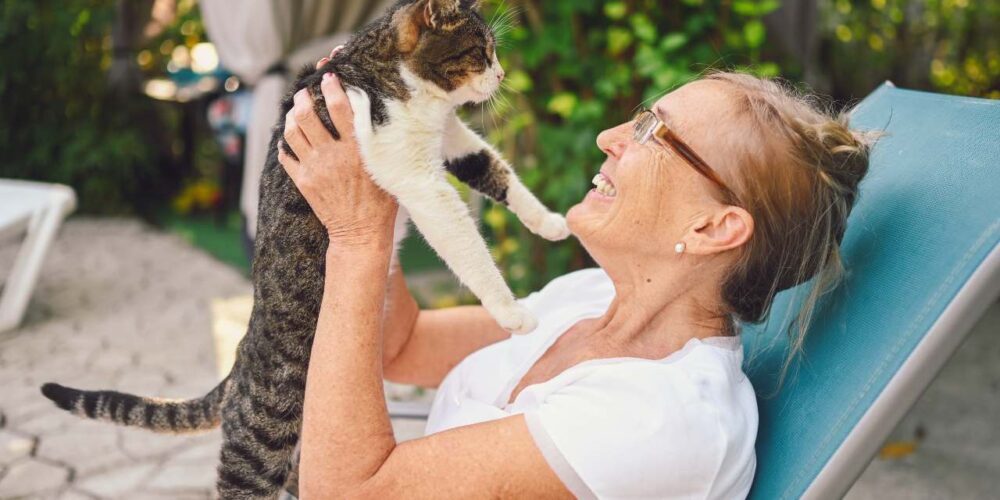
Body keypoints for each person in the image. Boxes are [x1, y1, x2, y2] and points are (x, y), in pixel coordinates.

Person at [277, 59, 871, 497]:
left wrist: (358, 237)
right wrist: (385, 175)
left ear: (715, 228)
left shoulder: (657, 419)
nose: (608, 138)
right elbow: (401, 344)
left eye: (652, 133)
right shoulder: (590, 298)